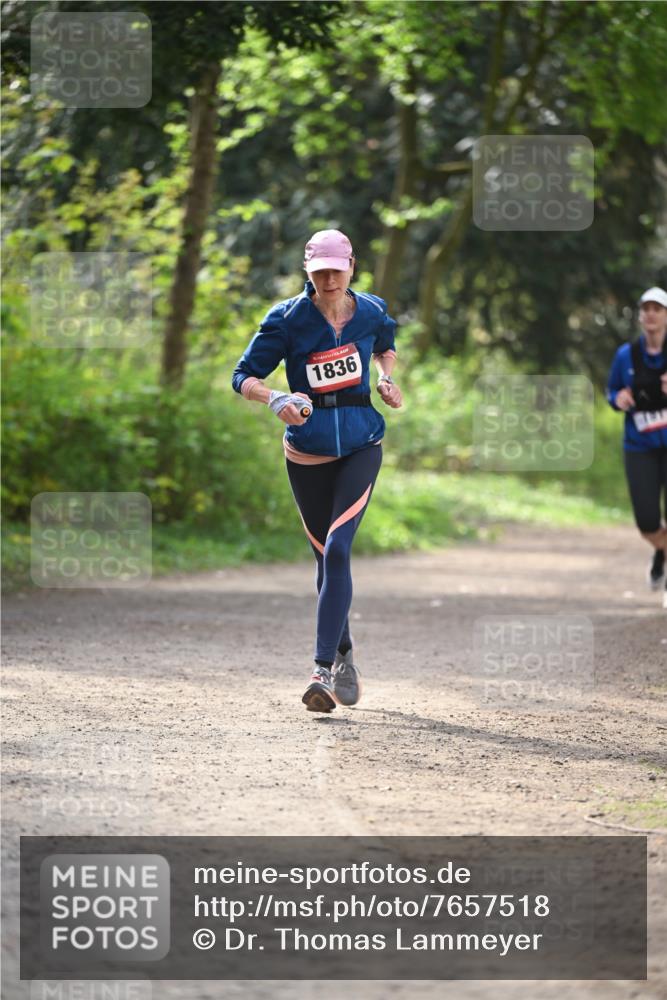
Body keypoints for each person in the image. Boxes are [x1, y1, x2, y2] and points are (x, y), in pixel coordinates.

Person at [231, 230, 402, 711]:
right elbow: (243, 376)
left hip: (362, 444)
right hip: (307, 451)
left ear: (352, 267)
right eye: (319, 271)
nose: (328, 280)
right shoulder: (286, 319)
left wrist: (387, 379)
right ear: (307, 272)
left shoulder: (369, 309)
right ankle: (345, 653)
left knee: (340, 550)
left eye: (336, 270)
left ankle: (321, 670)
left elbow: (384, 344)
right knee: (325, 558)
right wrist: (277, 398)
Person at [607, 286, 667, 604]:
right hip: (639, 446)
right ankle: (661, 550)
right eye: (646, 309)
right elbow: (611, 391)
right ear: (641, 316)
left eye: (658, 309)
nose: (651, 314)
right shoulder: (625, 355)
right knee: (646, 521)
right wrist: (618, 398)